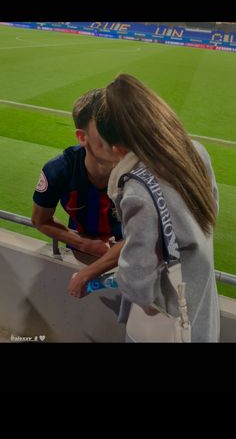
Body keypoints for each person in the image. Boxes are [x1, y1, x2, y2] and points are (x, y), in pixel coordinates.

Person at [68, 74, 220, 342]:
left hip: (167, 317)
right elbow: (210, 215)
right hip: (202, 302)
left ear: (118, 145)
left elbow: (139, 284)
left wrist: (117, 280)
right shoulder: (197, 151)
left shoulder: (137, 191)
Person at [32, 89, 124, 292]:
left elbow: (146, 238)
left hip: (128, 262)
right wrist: (85, 244)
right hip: (80, 254)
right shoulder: (59, 171)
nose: (118, 136)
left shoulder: (137, 175)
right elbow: (39, 219)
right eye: (106, 127)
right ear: (82, 137)